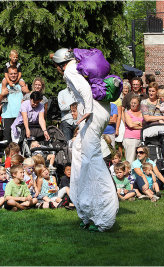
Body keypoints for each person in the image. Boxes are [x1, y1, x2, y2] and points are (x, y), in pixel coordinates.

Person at [51, 48, 118, 232]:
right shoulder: (77, 67)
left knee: (92, 163)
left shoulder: (70, 71)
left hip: (93, 114)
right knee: (80, 160)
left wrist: (87, 110)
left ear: (59, 65)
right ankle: (87, 213)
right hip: (98, 113)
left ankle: (105, 219)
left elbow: (84, 89)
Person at [0, 66, 29, 142]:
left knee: (21, 140)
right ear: (7, 75)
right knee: (7, 140)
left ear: (18, 74)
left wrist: (27, 91)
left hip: (20, 116)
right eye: (11, 74)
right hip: (7, 116)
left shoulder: (22, 84)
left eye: (15, 73)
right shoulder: (2, 85)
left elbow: (30, 100)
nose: (13, 75)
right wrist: (1, 95)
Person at [123, 95, 143, 163]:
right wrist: (140, 124)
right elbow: (130, 125)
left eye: (135, 103)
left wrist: (137, 123)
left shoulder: (142, 112)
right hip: (130, 138)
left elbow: (145, 125)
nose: (133, 105)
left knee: (140, 161)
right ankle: (129, 173)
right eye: (132, 103)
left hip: (141, 138)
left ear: (139, 104)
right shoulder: (127, 113)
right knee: (130, 160)